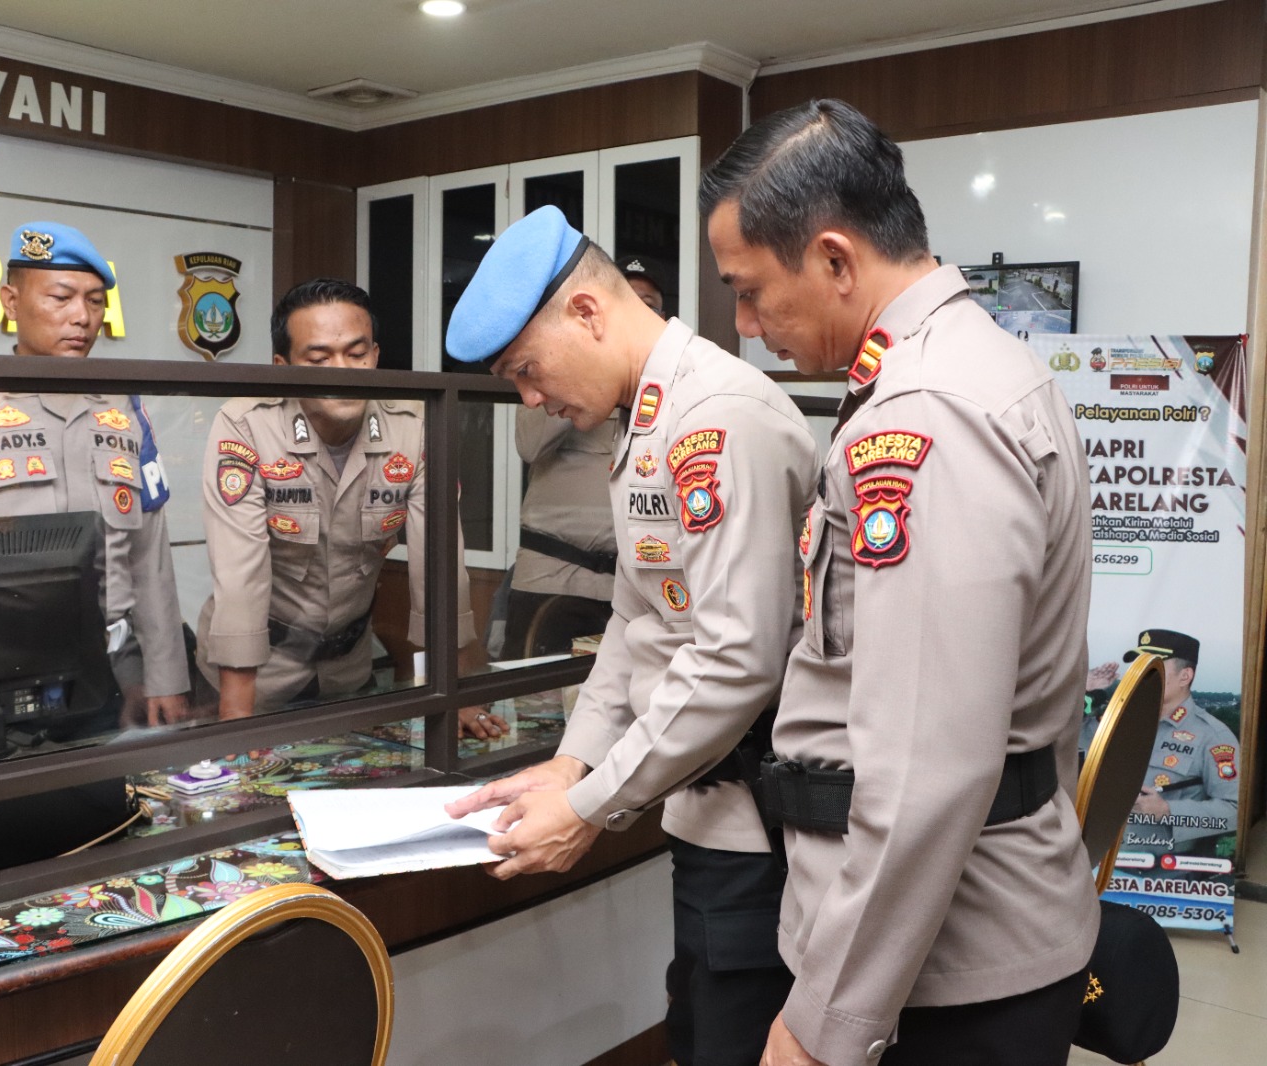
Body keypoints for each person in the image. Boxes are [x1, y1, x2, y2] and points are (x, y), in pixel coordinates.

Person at [702, 99, 1100, 1066]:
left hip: (940, 974)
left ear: (835, 259)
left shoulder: (924, 415)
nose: (748, 327)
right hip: (946, 939)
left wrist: (825, 1024)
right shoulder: (971, 367)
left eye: (750, 292)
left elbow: (929, 769)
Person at [443, 206, 818, 1066]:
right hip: (704, 806)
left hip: (760, 824)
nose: (529, 398)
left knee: (733, 1039)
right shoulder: (649, 415)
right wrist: (573, 761)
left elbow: (737, 656)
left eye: (526, 369)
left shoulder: (717, 416)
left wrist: (589, 807)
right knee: (698, 1028)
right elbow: (637, 616)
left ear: (585, 312)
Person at [0, 222, 190, 728]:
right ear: (11, 302)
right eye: (61, 297)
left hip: (107, 676)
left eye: (95, 302)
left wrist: (167, 677)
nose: (82, 317)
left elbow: (149, 558)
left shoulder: (123, 409)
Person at [193, 278, 506, 740]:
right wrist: (237, 718)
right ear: (283, 368)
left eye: (356, 354)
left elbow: (439, 568)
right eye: (319, 359)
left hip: (348, 669)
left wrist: (454, 690)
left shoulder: (414, 427)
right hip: (254, 674)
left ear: (375, 356)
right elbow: (241, 577)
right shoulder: (245, 426)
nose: (343, 372)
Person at [1090, 629, 1239, 853]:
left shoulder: (1212, 736)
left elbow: (1234, 812)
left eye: (1153, 666)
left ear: (1185, 676)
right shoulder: (1116, 720)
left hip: (1163, 869)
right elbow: (1064, 744)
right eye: (1138, 665)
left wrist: (1168, 811)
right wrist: (1085, 690)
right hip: (1098, 860)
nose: (1140, 673)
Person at [500, 406, 618, 660]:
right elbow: (530, 443)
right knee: (534, 685)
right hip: (553, 579)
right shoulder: (550, 385)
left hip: (630, 588)